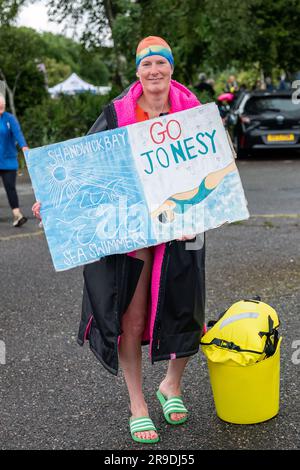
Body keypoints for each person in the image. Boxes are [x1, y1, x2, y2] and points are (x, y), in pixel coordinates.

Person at [32, 36, 206, 445]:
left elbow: (215, 165)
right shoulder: (117, 113)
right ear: (137, 72)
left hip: (183, 225)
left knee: (184, 307)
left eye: (161, 63)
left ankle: (171, 386)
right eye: (146, 65)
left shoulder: (195, 113)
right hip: (130, 226)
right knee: (130, 313)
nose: (154, 71)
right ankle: (137, 404)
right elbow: (83, 165)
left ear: (171, 68)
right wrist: (54, 202)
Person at [0, 94, 28, 227]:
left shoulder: (9, 118)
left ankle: (18, 215)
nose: (1, 106)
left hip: (8, 161)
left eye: (3, 105)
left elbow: (18, 133)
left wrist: (24, 146)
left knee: (10, 188)